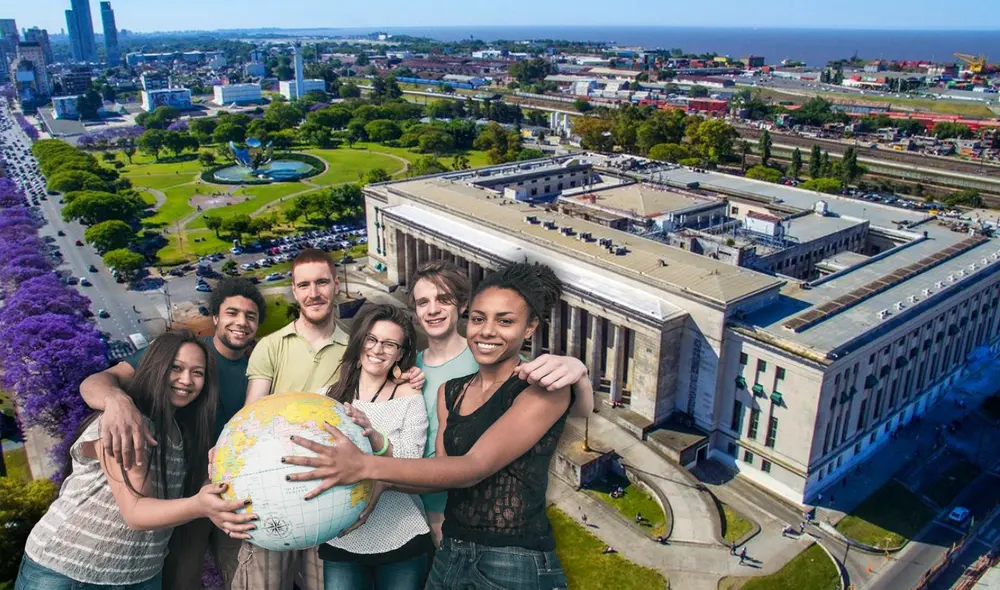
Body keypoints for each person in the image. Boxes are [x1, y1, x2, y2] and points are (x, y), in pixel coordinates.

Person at [283, 262, 574, 589]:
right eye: (479, 319)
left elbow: (473, 465)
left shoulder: (534, 381)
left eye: (505, 321)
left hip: (509, 554)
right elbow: (439, 467)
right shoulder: (440, 385)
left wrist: (576, 370)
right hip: (450, 540)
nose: (487, 331)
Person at [233, 249, 424, 590]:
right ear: (294, 290)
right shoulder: (272, 347)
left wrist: (407, 378)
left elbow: (408, 460)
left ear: (336, 284)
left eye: (322, 282)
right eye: (304, 285)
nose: (314, 293)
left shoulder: (353, 347)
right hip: (276, 489)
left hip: (332, 505)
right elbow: (251, 416)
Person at [17, 330, 255, 590]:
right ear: (156, 368)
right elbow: (135, 512)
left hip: (140, 576)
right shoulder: (124, 423)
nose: (186, 380)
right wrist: (200, 505)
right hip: (69, 571)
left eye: (197, 373)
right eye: (176, 368)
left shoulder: (180, 432)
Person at [80, 278, 266, 590]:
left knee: (244, 575)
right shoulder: (185, 354)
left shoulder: (257, 370)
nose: (241, 322)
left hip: (229, 487)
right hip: (179, 484)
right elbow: (97, 381)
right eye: (232, 313)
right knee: (183, 576)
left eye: (251, 316)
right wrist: (116, 401)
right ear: (215, 317)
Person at [407, 260, 594, 546]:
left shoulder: (494, 357)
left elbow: (575, 410)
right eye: (423, 302)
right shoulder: (411, 368)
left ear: (463, 305)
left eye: (443, 299)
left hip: (466, 515)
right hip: (412, 503)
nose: (432, 309)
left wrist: (578, 371)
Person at [318, 304, 432, 590]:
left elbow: (412, 464)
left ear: (401, 354)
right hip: (341, 536)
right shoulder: (326, 397)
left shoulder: (409, 397)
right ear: (359, 341)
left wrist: (374, 435)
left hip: (402, 536)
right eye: (371, 339)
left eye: (390, 344)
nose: (378, 349)